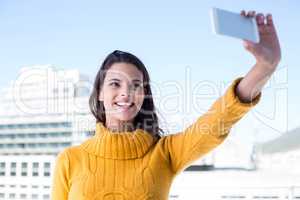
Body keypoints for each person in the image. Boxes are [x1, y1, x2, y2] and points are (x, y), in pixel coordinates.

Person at [51, 10, 281, 200]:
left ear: (144, 95)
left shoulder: (165, 153)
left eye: (136, 85)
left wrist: (266, 65)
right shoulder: (70, 160)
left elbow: (217, 121)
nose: (126, 93)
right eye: (115, 83)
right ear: (100, 93)